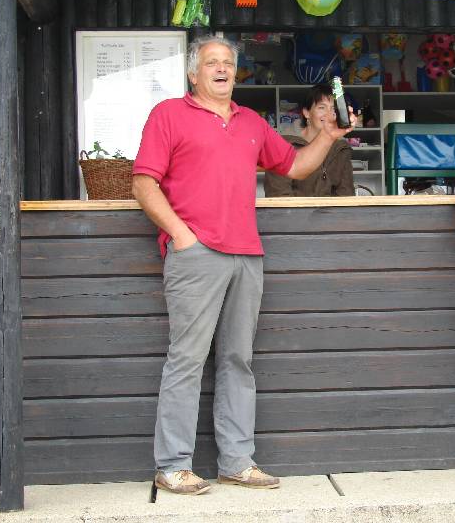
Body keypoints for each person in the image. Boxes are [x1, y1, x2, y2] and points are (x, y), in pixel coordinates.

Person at [132, 36, 354, 496]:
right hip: (196, 254)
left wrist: (329, 137)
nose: (221, 69)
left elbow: (295, 166)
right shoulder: (168, 115)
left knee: (238, 360)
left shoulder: (252, 122)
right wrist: (182, 236)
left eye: (228, 63)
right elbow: (143, 184)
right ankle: (172, 466)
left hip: (246, 255)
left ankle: (236, 462)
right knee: (187, 360)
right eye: (211, 63)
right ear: (193, 74)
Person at [264, 83, 354, 197]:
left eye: (333, 109)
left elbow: (346, 195)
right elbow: (278, 195)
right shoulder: (282, 145)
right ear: (306, 113)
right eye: (322, 108)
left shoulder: (341, 148)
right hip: (293, 208)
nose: (329, 114)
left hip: (330, 209)